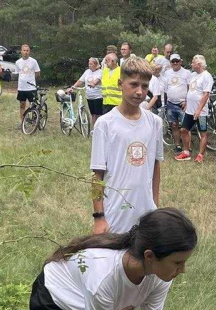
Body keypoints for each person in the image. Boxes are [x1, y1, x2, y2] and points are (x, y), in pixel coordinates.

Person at [29, 207, 196, 310]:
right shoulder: (104, 278)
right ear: (149, 256)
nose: (182, 270)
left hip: (100, 307)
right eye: (177, 263)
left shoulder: (162, 277)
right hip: (56, 306)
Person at [90, 56, 162, 234]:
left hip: (146, 211)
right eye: (134, 84)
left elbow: (155, 165)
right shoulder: (105, 124)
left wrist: (155, 205)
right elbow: (96, 176)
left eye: (145, 86)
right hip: (115, 211)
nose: (139, 92)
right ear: (120, 83)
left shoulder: (155, 123)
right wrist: (99, 217)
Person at [179, 54, 213, 162]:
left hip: (201, 112)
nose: (191, 64)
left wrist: (198, 109)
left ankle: (200, 155)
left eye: (193, 62)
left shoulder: (207, 76)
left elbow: (206, 94)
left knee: (203, 133)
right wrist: (186, 102)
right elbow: (191, 90)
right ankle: (186, 152)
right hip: (189, 111)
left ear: (199, 64)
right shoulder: (193, 75)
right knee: (184, 130)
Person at [162, 53, 189, 153]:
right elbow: (165, 89)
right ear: (170, 62)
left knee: (185, 126)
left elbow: (189, 89)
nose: (175, 63)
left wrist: (187, 102)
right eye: (173, 61)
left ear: (181, 61)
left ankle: (187, 147)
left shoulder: (186, 73)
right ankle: (178, 145)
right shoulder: (167, 73)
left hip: (182, 103)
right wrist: (165, 103)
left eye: (177, 61)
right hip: (170, 103)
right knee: (174, 125)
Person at [14, 44, 40, 132]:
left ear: (29, 52)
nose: (25, 52)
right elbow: (18, 73)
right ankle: (22, 122)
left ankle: (34, 122)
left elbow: (37, 73)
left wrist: (31, 80)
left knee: (33, 105)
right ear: (21, 51)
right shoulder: (18, 62)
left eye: (27, 50)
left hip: (31, 88)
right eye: (24, 50)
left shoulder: (33, 61)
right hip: (21, 88)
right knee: (22, 105)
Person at [73, 57, 104, 127]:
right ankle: (94, 128)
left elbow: (97, 81)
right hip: (89, 96)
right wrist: (73, 87)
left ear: (96, 65)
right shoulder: (87, 72)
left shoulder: (100, 72)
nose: (89, 65)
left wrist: (93, 84)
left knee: (98, 114)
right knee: (93, 114)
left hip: (98, 96)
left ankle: (99, 128)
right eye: (89, 64)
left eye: (91, 64)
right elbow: (80, 80)